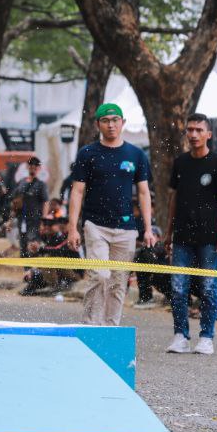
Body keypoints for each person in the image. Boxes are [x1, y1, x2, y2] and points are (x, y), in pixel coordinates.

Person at [67, 102, 155, 326]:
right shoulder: (87, 153)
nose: (111, 125)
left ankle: (111, 328)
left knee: (118, 282)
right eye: (105, 121)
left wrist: (148, 228)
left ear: (123, 122)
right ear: (98, 124)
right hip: (95, 224)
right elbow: (77, 191)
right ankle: (91, 326)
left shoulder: (136, 154)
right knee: (99, 275)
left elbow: (144, 192)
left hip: (126, 228)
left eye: (115, 120)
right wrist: (72, 228)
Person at [163, 113, 217, 355]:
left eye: (199, 130)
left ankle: (206, 336)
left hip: (209, 237)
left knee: (208, 287)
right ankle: (180, 335)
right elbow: (174, 198)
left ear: (208, 134)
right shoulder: (180, 163)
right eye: (190, 130)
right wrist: (168, 232)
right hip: (182, 236)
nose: (193, 134)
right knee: (178, 287)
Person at [12, 156, 48, 253]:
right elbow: (14, 200)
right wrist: (11, 218)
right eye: (31, 166)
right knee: (23, 244)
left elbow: (45, 202)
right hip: (22, 219)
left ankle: (33, 262)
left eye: (35, 167)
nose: (33, 169)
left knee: (32, 245)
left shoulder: (41, 184)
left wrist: (44, 221)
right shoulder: (21, 182)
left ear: (39, 168)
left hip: (35, 220)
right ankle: (25, 262)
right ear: (28, 167)